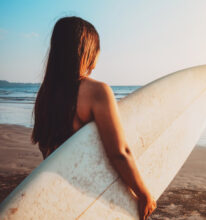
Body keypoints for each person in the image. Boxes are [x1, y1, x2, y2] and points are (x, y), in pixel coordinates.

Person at [31, 16, 156, 220]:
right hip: (93, 195)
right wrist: (143, 194)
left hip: (60, 195)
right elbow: (119, 153)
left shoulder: (45, 95)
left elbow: (47, 151)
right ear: (86, 50)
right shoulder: (97, 91)